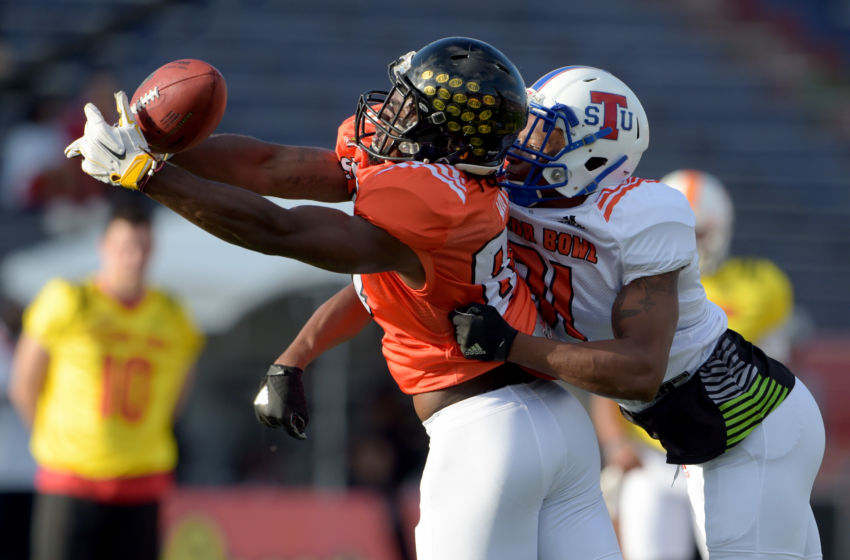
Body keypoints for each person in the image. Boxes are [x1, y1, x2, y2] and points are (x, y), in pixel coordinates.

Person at [64, 37, 623, 559]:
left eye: (412, 109)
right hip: (558, 427)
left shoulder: (431, 202)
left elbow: (285, 233)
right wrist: (152, 142)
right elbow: (272, 168)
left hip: (484, 432)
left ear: (449, 140)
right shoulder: (445, 181)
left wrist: (144, 173)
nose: (392, 114)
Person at [449, 66, 825, 559]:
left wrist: (510, 343)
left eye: (546, 129)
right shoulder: (515, 199)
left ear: (594, 150)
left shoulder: (638, 215)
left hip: (751, 428)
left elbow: (641, 370)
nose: (524, 140)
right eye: (527, 124)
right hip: (694, 435)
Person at [589, 169, 796, 560]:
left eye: (697, 233)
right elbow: (611, 373)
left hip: (731, 450)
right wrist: (614, 444)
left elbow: (780, 374)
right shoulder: (632, 286)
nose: (689, 243)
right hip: (652, 455)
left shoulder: (762, 285)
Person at [9, 199, 204, 560]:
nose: (134, 258)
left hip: (142, 480)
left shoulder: (172, 314)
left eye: (142, 248)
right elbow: (24, 383)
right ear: (104, 247)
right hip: (72, 480)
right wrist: (56, 440)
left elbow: (180, 386)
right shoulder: (71, 301)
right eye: (125, 247)